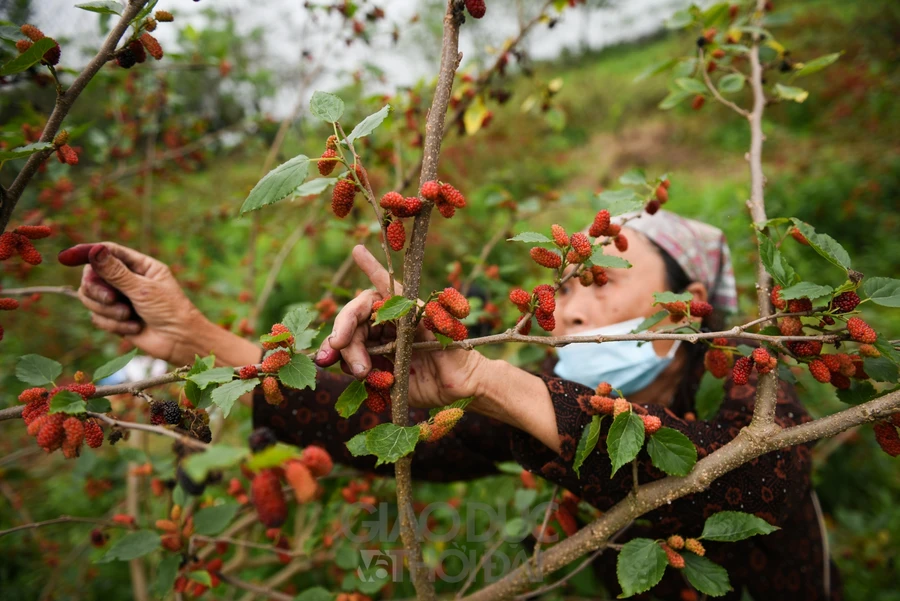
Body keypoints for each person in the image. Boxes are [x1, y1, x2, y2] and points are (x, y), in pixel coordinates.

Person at [64, 209, 841, 600]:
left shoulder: (765, 396)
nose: (566, 312)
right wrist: (193, 337)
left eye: (598, 282)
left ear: (693, 307)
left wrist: (489, 378)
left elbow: (738, 483)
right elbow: (367, 420)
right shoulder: (545, 419)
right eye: (565, 287)